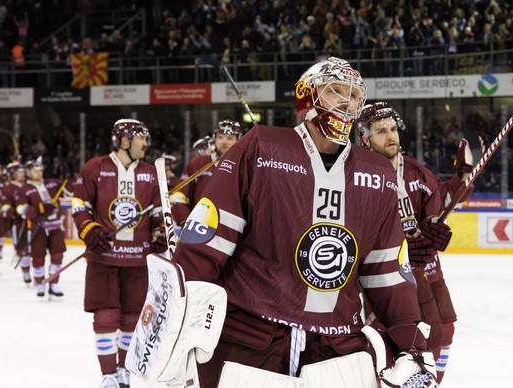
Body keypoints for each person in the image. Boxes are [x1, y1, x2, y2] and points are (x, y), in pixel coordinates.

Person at [166, 57, 435, 387]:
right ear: (307, 97)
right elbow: (208, 239)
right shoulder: (261, 147)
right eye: (336, 91)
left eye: (353, 96)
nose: (347, 102)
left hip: (334, 349)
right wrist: (177, 322)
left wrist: (412, 347)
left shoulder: (378, 172)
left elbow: (386, 270)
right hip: (248, 337)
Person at [357, 102, 465, 384]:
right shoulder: (359, 174)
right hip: (384, 272)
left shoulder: (416, 171)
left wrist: (434, 229)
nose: (390, 136)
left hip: (425, 268)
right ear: (365, 139)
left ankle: (432, 381)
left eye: (393, 129)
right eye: (381, 131)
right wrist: (404, 244)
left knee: (443, 330)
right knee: (384, 337)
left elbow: (436, 205)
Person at [71, 119, 165, 388]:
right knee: (105, 315)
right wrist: (88, 228)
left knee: (132, 317)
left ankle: (123, 371)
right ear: (124, 140)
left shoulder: (150, 172)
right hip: (105, 256)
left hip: (138, 257)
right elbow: (79, 204)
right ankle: (108, 374)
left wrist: (159, 232)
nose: (146, 144)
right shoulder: (95, 167)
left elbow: (159, 210)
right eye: (141, 138)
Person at [170, 119, 241, 227]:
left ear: (239, 140)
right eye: (220, 137)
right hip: (199, 228)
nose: (224, 142)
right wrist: (184, 221)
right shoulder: (198, 164)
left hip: (232, 229)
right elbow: (179, 196)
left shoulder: (244, 167)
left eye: (230, 138)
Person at [15, 159, 67, 297]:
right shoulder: (24, 189)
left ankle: (54, 284)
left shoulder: (51, 183)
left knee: (58, 256)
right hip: (38, 227)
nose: (39, 173)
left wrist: (65, 174)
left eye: (41, 170)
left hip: (55, 226)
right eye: (35, 171)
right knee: (38, 258)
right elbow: (21, 209)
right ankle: (41, 284)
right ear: (28, 172)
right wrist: (41, 208)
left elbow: (68, 189)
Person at [0, 161, 31, 284]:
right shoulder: (9, 189)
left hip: (33, 221)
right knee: (23, 248)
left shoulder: (29, 185)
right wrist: (17, 211)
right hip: (19, 222)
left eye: (23, 171)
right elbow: (4, 207)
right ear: (13, 174)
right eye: (20, 171)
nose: (23, 173)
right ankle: (26, 272)